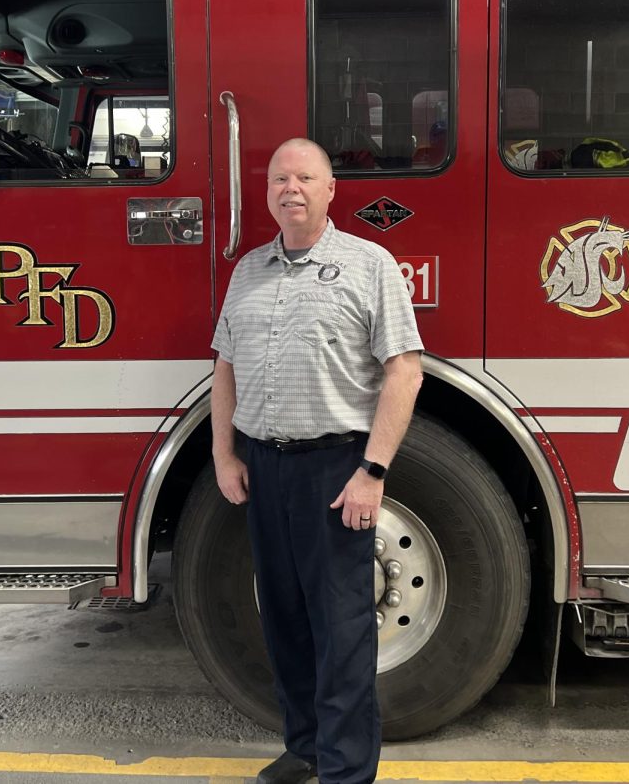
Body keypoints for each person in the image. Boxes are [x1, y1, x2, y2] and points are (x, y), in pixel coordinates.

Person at [210, 138, 424, 784]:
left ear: (332, 190)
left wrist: (374, 471)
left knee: (342, 629)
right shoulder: (248, 270)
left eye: (305, 177)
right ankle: (304, 745)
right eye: (279, 179)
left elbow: (405, 372)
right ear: (268, 192)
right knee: (284, 620)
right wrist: (224, 454)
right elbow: (224, 369)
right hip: (264, 469)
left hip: (337, 472)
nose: (290, 188)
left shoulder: (369, 264)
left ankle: (347, 770)